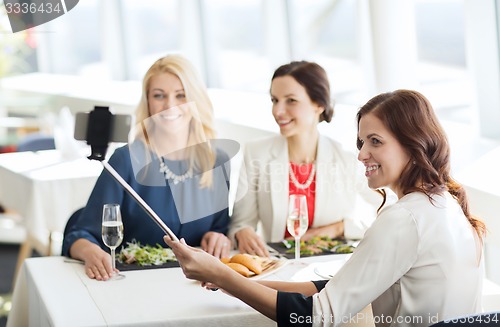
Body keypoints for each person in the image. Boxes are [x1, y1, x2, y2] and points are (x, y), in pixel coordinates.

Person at [165, 89, 486, 326]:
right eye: (362, 142)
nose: (361, 154)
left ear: (413, 144)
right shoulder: (446, 205)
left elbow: (317, 317)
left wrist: (223, 274)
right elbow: (334, 288)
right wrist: (229, 280)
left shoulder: (405, 218)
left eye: (376, 141)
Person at [63, 54, 232, 281]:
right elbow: (80, 235)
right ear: (148, 103)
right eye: (159, 95)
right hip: (134, 285)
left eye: (181, 95)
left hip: (196, 287)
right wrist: (91, 252)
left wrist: (218, 237)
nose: (169, 106)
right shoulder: (125, 160)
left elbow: (221, 229)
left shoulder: (216, 161)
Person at [229, 61, 378, 256]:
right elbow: (241, 223)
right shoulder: (256, 153)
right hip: (276, 265)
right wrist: (242, 232)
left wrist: (339, 228)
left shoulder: (347, 158)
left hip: (329, 267)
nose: (277, 111)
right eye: (274, 100)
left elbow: (390, 209)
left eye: (291, 100)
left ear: (319, 104)